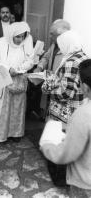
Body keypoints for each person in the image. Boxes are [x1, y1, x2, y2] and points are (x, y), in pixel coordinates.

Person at [40, 59, 91, 198]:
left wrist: (47, 145)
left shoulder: (83, 114)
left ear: (85, 87)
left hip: (85, 185)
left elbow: (67, 154)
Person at [0, 21, 38, 144]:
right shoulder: (0, 43)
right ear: (11, 34)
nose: (20, 40)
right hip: (1, 80)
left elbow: (30, 60)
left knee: (16, 108)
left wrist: (22, 68)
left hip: (17, 81)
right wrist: (8, 69)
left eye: (23, 37)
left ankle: (15, 133)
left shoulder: (26, 44)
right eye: (18, 36)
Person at [42, 30, 88, 124]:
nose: (60, 48)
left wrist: (49, 90)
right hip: (79, 108)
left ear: (67, 44)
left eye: (61, 45)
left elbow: (66, 92)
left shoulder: (71, 62)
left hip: (66, 113)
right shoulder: (83, 56)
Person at [30, 19, 71, 119]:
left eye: (52, 34)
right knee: (48, 112)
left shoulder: (69, 49)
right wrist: (39, 67)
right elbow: (46, 57)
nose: (49, 36)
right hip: (49, 85)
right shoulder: (54, 45)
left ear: (61, 35)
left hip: (59, 90)